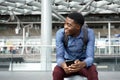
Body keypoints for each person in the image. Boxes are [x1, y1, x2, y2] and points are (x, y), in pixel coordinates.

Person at [52, 12, 98, 80]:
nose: (65, 27)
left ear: (78, 27)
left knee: (93, 73)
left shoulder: (89, 33)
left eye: (69, 25)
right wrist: (63, 65)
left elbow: (90, 58)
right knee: (57, 72)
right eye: (65, 23)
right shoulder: (60, 33)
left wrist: (82, 64)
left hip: (83, 63)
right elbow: (59, 57)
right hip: (67, 63)